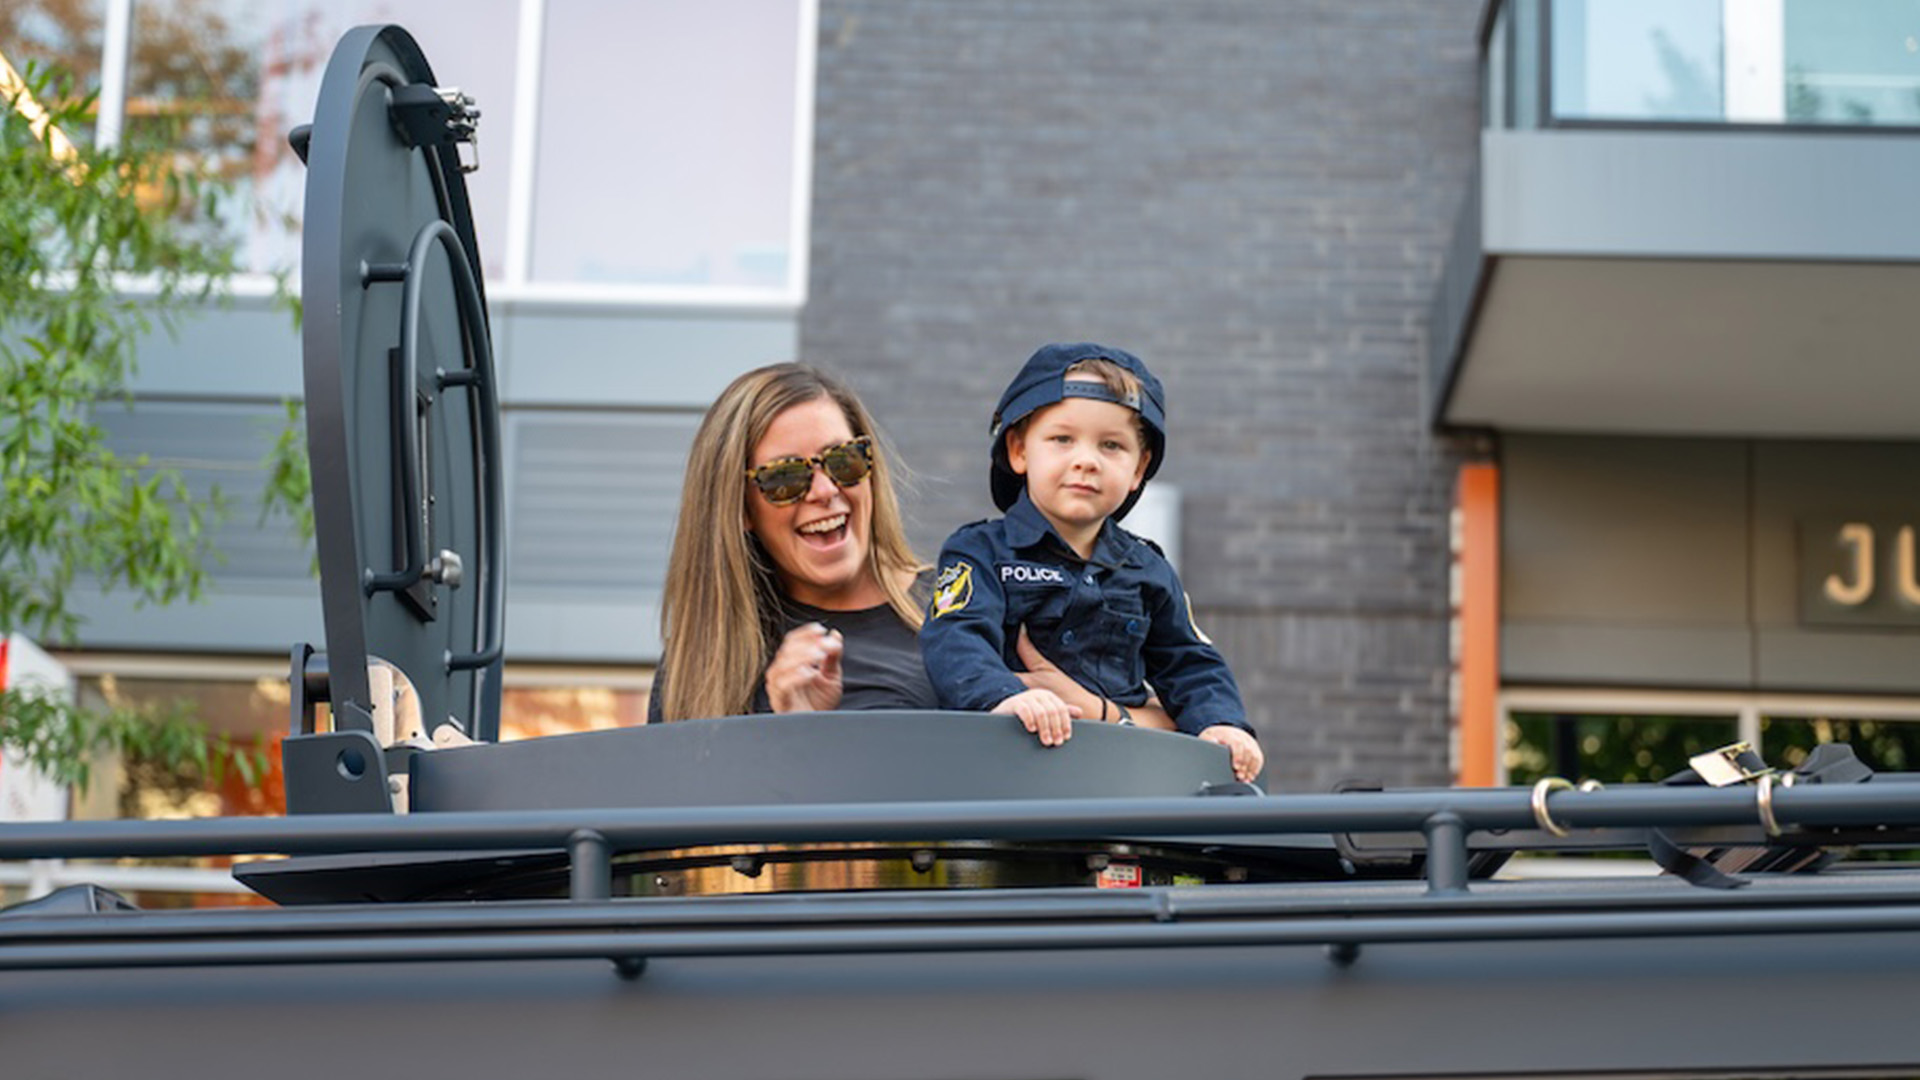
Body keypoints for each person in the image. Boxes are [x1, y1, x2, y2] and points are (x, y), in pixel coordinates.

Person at [919, 342, 1264, 781]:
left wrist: (1222, 723)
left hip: (1116, 782)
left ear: (1139, 468)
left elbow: (1191, 662)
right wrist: (1002, 696)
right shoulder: (978, 552)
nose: (1086, 460)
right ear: (1019, 451)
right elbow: (955, 639)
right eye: (1062, 439)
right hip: (1003, 775)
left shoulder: (1149, 571)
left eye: (1112, 446)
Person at [650, 363, 931, 721]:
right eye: (785, 477)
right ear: (739, 509)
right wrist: (794, 734)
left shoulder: (968, 608)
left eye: (843, 460)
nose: (826, 490)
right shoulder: (697, 667)